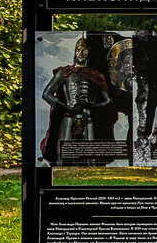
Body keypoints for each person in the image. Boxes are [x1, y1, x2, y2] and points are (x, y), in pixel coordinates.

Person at [39, 35, 119, 166]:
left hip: (88, 117)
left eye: (84, 50)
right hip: (68, 116)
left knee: (90, 156)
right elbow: (47, 94)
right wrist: (66, 107)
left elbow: (107, 101)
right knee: (64, 153)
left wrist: (91, 106)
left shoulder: (96, 75)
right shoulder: (65, 73)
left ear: (89, 51)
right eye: (78, 50)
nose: (80, 53)